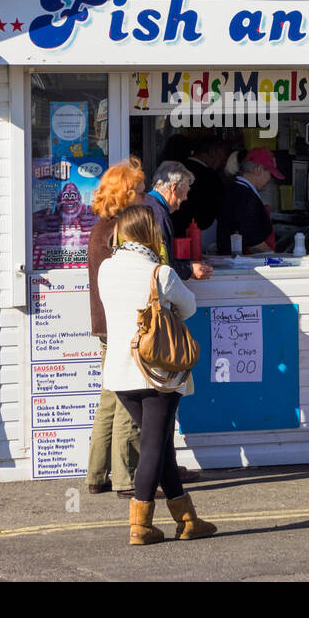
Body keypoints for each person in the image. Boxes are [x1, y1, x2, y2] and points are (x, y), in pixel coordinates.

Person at [99, 204, 217, 544]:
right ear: (151, 234)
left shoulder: (106, 268)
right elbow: (190, 306)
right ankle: (140, 524)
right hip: (157, 373)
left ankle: (187, 519)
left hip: (120, 373)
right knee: (153, 445)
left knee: (161, 444)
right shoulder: (160, 273)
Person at [84, 159, 144, 497]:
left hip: (105, 323)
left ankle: (96, 475)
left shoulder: (100, 226)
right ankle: (127, 479)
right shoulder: (122, 230)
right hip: (122, 324)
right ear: (128, 193)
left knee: (109, 398)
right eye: (139, 189)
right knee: (128, 399)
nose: (144, 194)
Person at [144, 161, 214, 282]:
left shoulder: (145, 203)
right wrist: (189, 269)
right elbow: (164, 264)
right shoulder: (160, 216)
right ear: (174, 187)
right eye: (186, 192)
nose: (186, 198)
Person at [217, 147, 284, 253]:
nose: (270, 179)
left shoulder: (234, 189)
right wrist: (276, 259)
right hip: (244, 265)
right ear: (258, 170)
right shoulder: (246, 197)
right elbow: (254, 243)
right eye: (270, 174)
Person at [171, 137, 229, 252]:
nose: (222, 163)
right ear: (213, 152)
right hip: (203, 235)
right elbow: (222, 207)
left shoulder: (174, 170)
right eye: (222, 158)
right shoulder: (210, 176)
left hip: (174, 231)